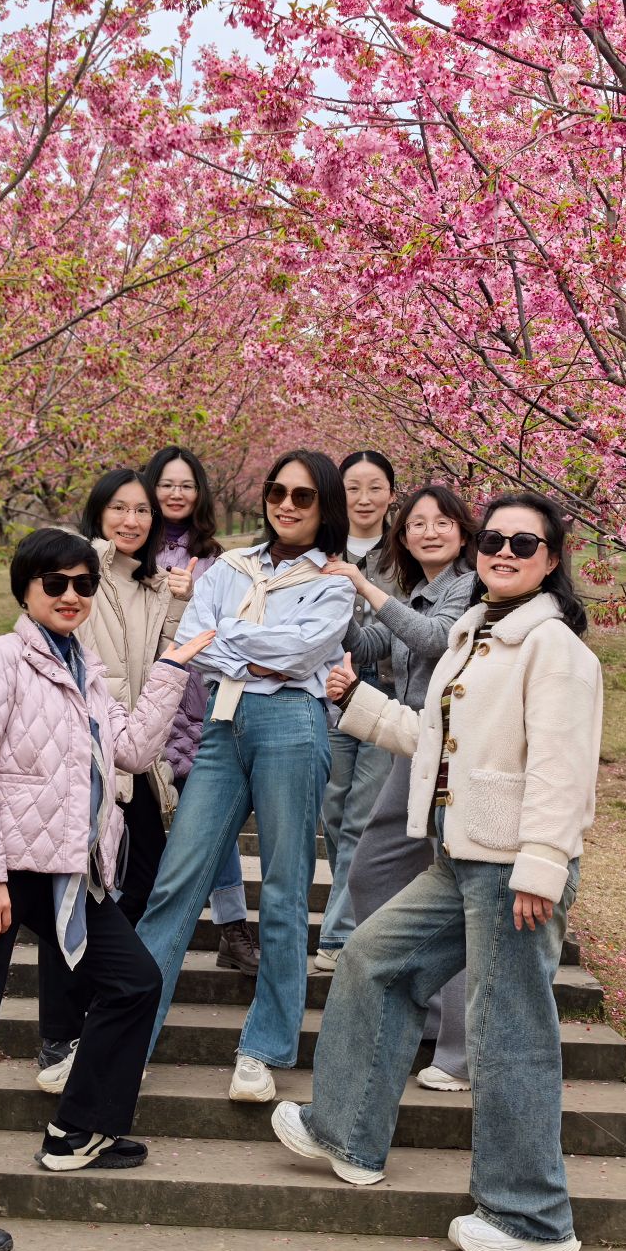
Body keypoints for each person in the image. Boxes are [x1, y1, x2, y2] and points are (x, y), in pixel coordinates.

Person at [271, 493, 601, 1251]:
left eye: (525, 543)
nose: (505, 551)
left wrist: (542, 866)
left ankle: (531, 1216)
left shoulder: (554, 649)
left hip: (514, 868)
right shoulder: (475, 636)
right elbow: (439, 742)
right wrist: (361, 703)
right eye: (494, 539)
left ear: (552, 560)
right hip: (461, 859)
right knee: (372, 959)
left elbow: (562, 770)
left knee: (508, 1032)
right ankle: (346, 1133)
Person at [0, 528, 215, 1251]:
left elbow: (132, 753)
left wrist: (170, 669)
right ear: (26, 589)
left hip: (65, 869)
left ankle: (78, 1130)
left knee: (134, 980)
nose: (71, 595)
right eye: (55, 583)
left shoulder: (86, 669)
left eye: (83, 584)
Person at [134, 450, 356, 1104]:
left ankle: (264, 1047)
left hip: (294, 724)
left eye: (303, 496)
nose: (285, 504)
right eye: (277, 491)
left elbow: (300, 654)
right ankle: (127, 1038)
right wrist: (254, 651)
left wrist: (233, 638)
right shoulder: (231, 567)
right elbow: (198, 644)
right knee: (177, 880)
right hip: (222, 724)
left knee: (285, 889)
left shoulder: (335, 580)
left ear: (325, 506)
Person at [323, 484, 479, 1089]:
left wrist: (368, 589)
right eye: (417, 524)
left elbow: (435, 638)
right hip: (412, 745)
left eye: (442, 522)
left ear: (462, 533)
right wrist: (338, 605)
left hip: (455, 752)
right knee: (372, 871)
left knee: (455, 894)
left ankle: (459, 1054)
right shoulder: (413, 591)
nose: (429, 531)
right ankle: (428, 1010)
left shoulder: (469, 587)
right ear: (404, 537)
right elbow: (372, 646)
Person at [33, 468, 183, 1093]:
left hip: (137, 753)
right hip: (84, 755)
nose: (132, 520)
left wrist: (178, 602)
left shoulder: (152, 584)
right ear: (98, 514)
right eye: (119, 508)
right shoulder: (80, 573)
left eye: (143, 510)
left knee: (140, 881)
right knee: (74, 890)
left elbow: (169, 657)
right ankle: (58, 1037)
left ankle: (103, 1005)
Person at [142, 446, 260, 978]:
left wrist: (192, 597)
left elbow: (231, 629)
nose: (176, 494)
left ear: (200, 493)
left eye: (186, 485)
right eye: (166, 484)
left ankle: (232, 927)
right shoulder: (131, 552)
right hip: (139, 699)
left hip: (197, 702)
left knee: (211, 819)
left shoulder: (220, 561)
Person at [312, 449, 399, 971]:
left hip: (386, 693)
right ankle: (353, 911)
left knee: (363, 816)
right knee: (334, 812)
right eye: (352, 488)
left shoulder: (405, 551)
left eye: (375, 487)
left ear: (392, 494)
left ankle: (340, 934)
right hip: (328, 691)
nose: (364, 499)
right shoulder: (320, 549)